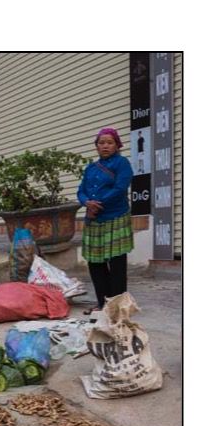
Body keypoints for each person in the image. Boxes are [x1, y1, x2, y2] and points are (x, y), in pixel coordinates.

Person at [77, 127, 134, 313]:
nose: (105, 146)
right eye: (101, 143)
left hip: (115, 217)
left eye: (109, 142)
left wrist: (97, 203)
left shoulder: (122, 163)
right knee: (95, 262)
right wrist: (86, 202)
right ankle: (102, 302)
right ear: (96, 147)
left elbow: (120, 188)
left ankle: (117, 305)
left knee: (117, 262)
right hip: (94, 220)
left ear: (117, 145)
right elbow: (81, 190)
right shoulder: (91, 168)